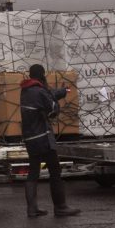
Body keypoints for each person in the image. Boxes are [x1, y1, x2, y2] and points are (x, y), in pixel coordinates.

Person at [20, 64, 81, 218]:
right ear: (42, 74)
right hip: (43, 137)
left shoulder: (25, 90)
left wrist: (54, 94)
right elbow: (52, 110)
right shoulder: (40, 91)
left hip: (30, 138)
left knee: (33, 173)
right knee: (55, 171)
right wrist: (58, 96)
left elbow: (44, 98)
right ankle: (60, 207)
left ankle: (32, 209)